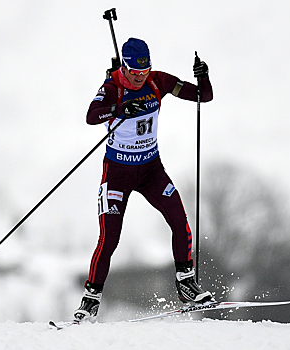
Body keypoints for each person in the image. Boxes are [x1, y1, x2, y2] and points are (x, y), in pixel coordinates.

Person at [73, 38, 215, 322]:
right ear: (124, 68)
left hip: (151, 170)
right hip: (117, 174)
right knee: (109, 237)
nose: (141, 77)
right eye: (135, 73)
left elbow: (203, 96)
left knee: (179, 220)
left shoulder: (158, 81)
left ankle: (186, 283)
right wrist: (119, 109)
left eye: (145, 71)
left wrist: (204, 76)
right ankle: (91, 299)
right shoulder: (112, 87)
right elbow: (91, 116)